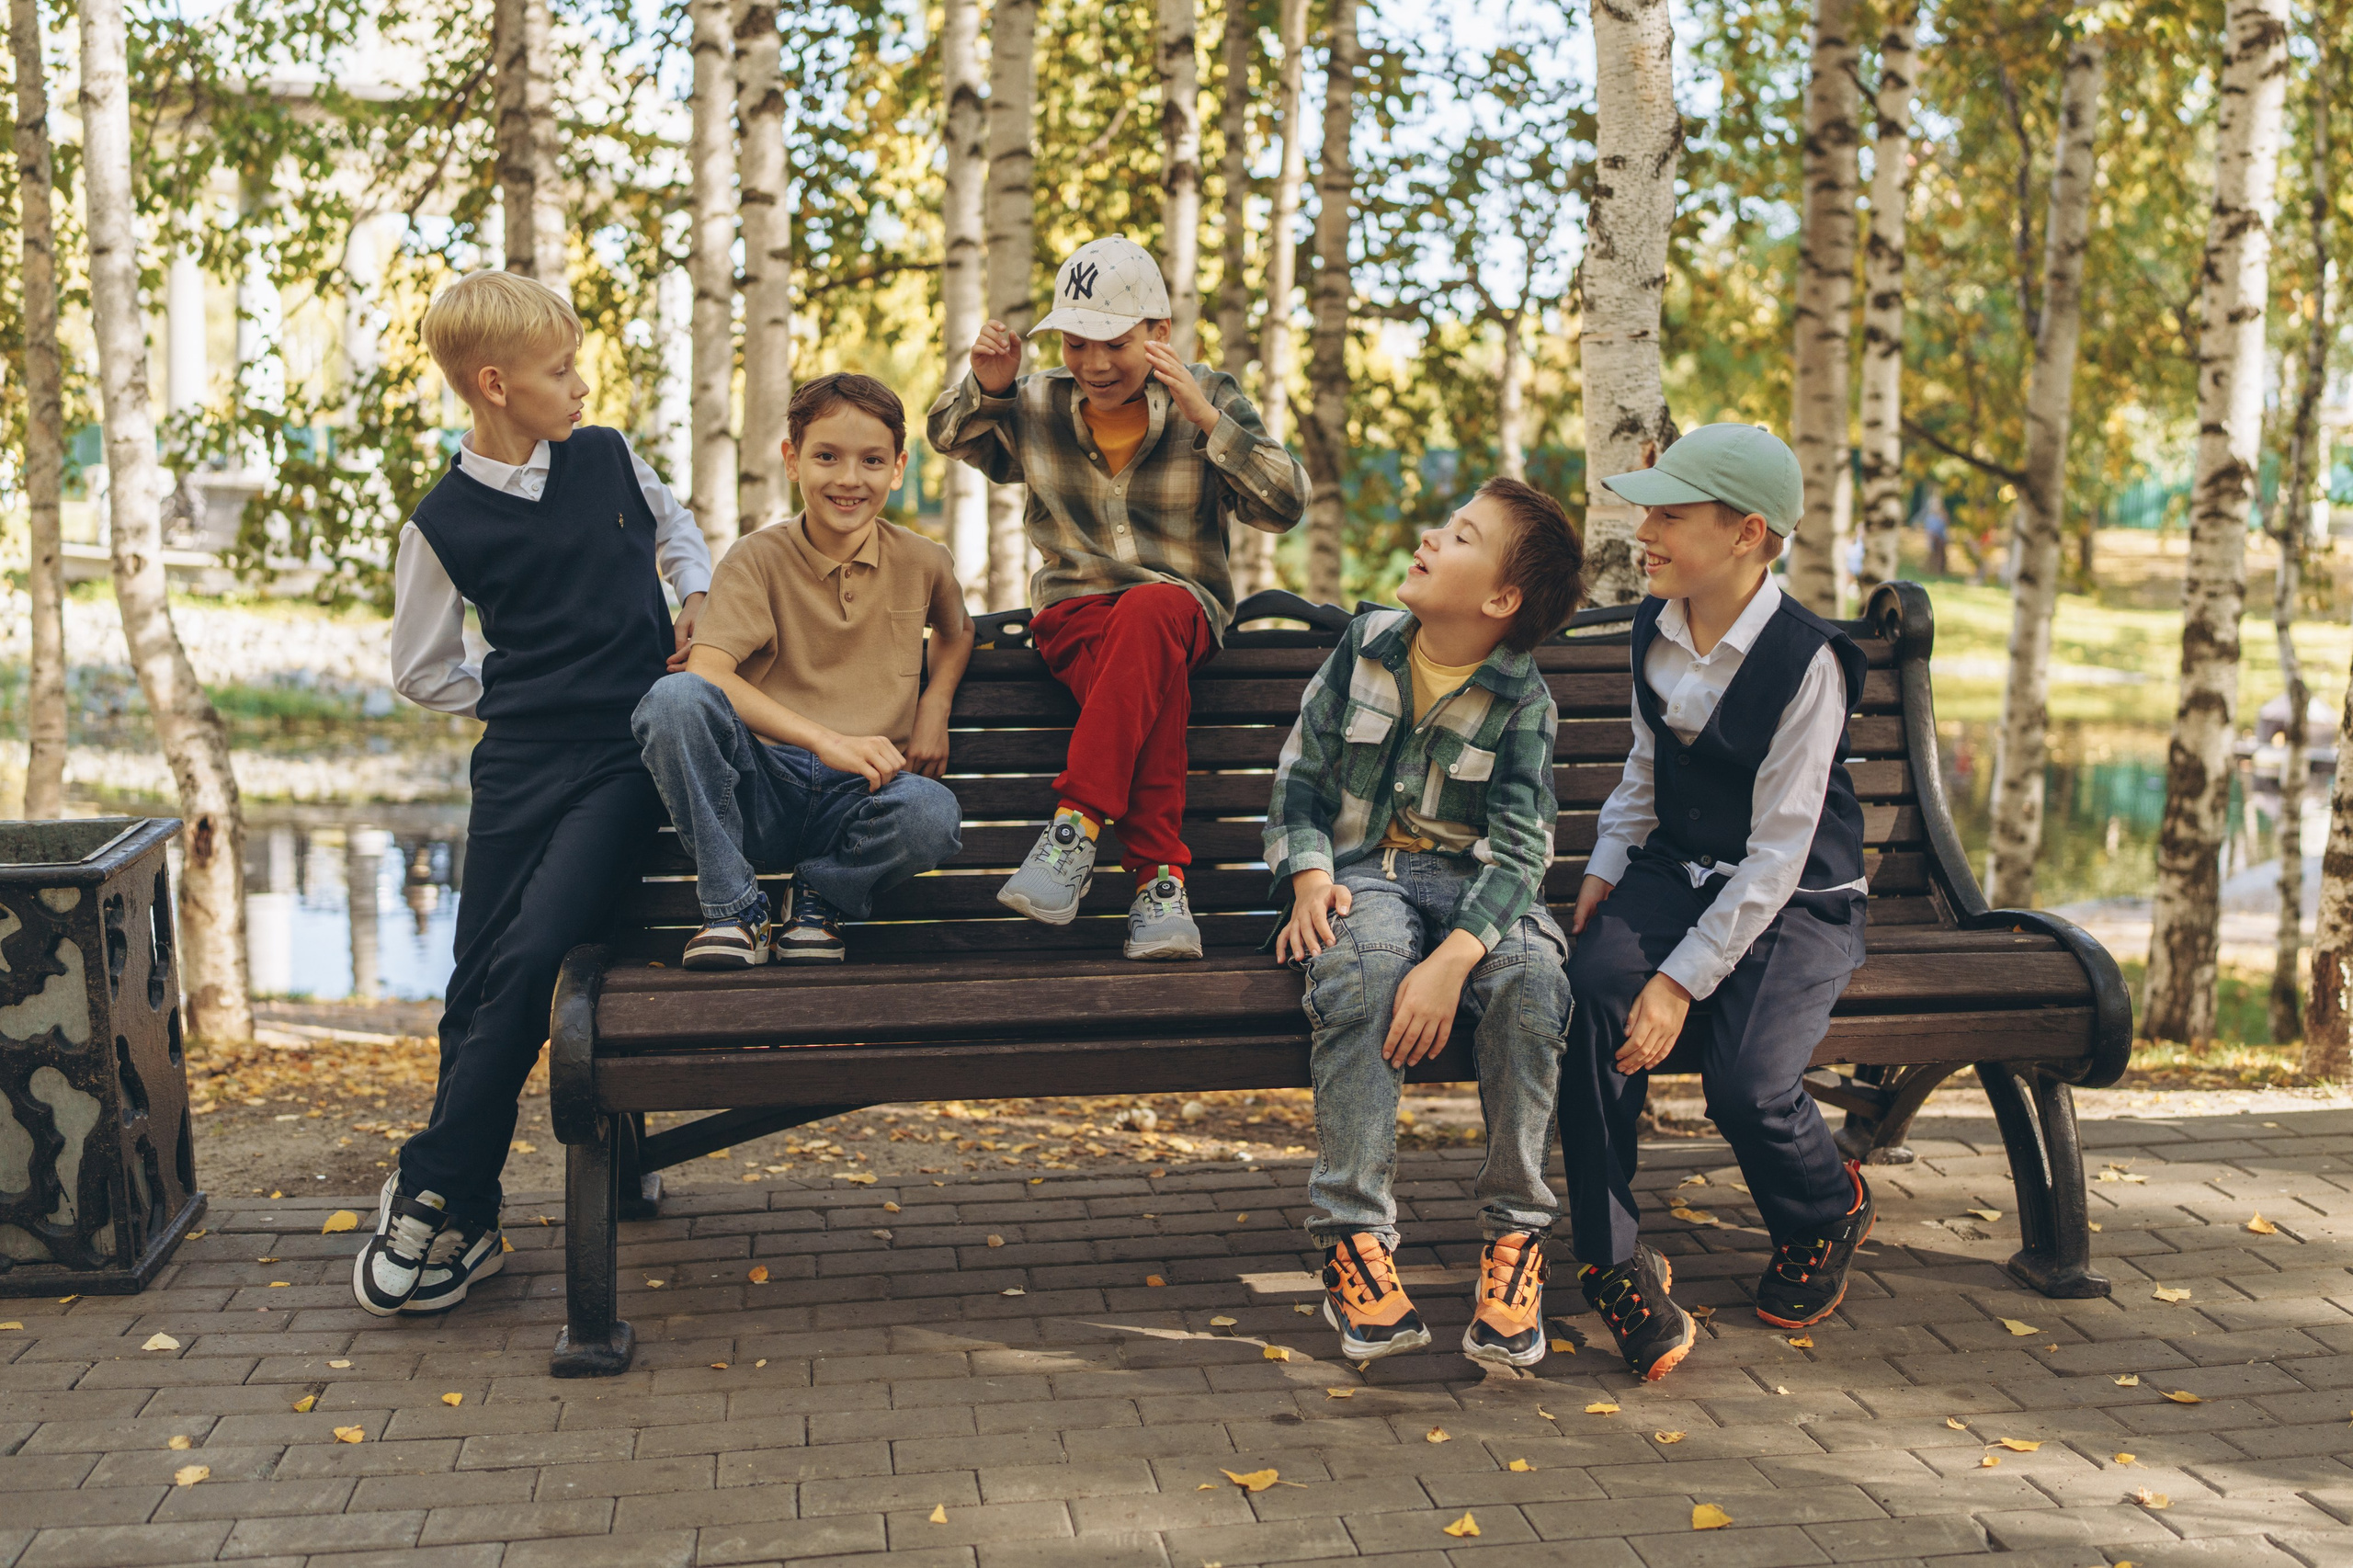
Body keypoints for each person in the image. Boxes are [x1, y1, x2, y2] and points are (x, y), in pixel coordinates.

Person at [361, 270, 712, 1316]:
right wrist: (510, 692)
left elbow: (676, 524)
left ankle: (430, 1184)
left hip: (619, 757)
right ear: (495, 383)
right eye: (560, 370)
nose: (579, 382)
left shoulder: (603, 455)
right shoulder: (442, 522)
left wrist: (691, 594)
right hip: (518, 762)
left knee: (531, 951)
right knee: (475, 980)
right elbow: (421, 668)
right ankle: (466, 1218)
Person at [1560, 423, 1873, 1383]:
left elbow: (1779, 850)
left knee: (1745, 1084)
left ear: (1745, 534)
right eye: (1647, 510)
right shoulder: (1654, 626)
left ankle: (1826, 1202)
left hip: (1795, 894)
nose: (1642, 530)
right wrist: (1607, 870)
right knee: (1591, 987)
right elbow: (1645, 772)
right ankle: (1613, 1257)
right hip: (1677, 866)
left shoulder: (1805, 661)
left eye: (1668, 514)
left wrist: (1681, 981)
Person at [1265, 477, 1583, 1368]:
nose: (1430, 538)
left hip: (1479, 894)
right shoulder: (1362, 646)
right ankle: (1353, 1238)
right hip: (1360, 874)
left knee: (1533, 980)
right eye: (1443, 526)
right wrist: (1309, 872)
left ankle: (1516, 1237)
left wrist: (1452, 960)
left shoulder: (1524, 702)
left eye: (1461, 535)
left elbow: (1521, 852)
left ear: (1499, 599)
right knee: (1359, 965)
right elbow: (1298, 781)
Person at [927, 235, 1311, 960]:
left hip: (1183, 608)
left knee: (1151, 609)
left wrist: (1209, 422)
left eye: (1114, 343)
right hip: (1073, 618)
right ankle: (1160, 886)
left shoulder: (1212, 395)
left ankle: (1074, 829)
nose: (1094, 364)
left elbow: (1285, 505)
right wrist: (991, 385)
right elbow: (948, 435)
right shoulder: (1038, 400)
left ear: (1158, 334)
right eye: (1075, 344)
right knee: (1149, 682)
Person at [632, 373, 971, 967]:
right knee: (672, 700)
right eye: (826, 457)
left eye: (871, 460)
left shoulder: (924, 562)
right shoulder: (756, 559)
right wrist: (828, 741)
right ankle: (735, 911)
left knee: (932, 813)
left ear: (897, 468)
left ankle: (818, 897)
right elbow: (708, 672)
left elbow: (957, 630)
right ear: (792, 461)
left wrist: (935, 705)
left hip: (862, 799)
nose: (849, 479)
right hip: (760, 786)